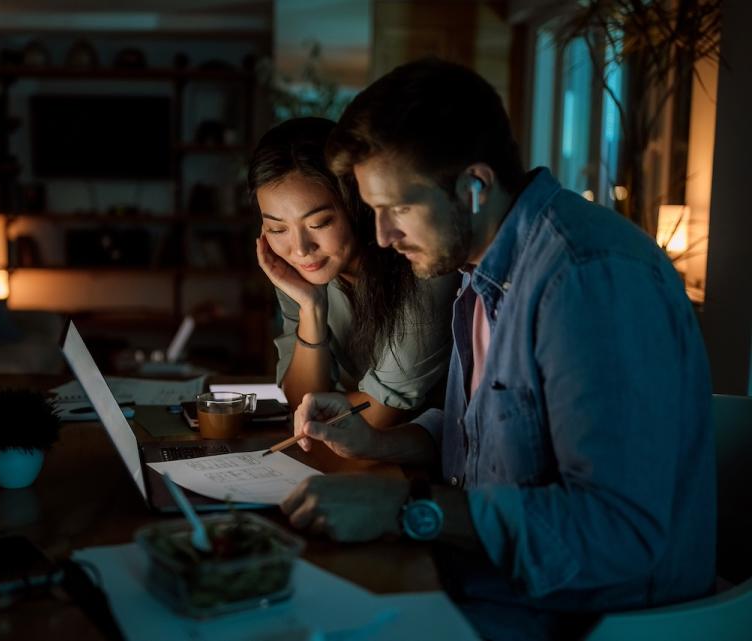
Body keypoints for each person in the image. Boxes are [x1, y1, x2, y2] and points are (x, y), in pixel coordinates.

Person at [280, 60, 714, 640]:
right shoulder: (482, 270)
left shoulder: (586, 278)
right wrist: (380, 442)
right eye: (373, 213)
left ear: (475, 186)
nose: (381, 237)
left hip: (589, 616)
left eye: (398, 209)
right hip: (497, 581)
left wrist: (402, 508)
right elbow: (496, 436)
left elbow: (617, 533)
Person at [249, 117, 458, 428]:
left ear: (356, 204)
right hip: (356, 452)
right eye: (277, 228)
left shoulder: (420, 261)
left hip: (436, 458)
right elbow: (303, 402)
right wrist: (311, 308)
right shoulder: (300, 268)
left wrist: (316, 414)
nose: (300, 248)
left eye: (319, 223)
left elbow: (381, 413)